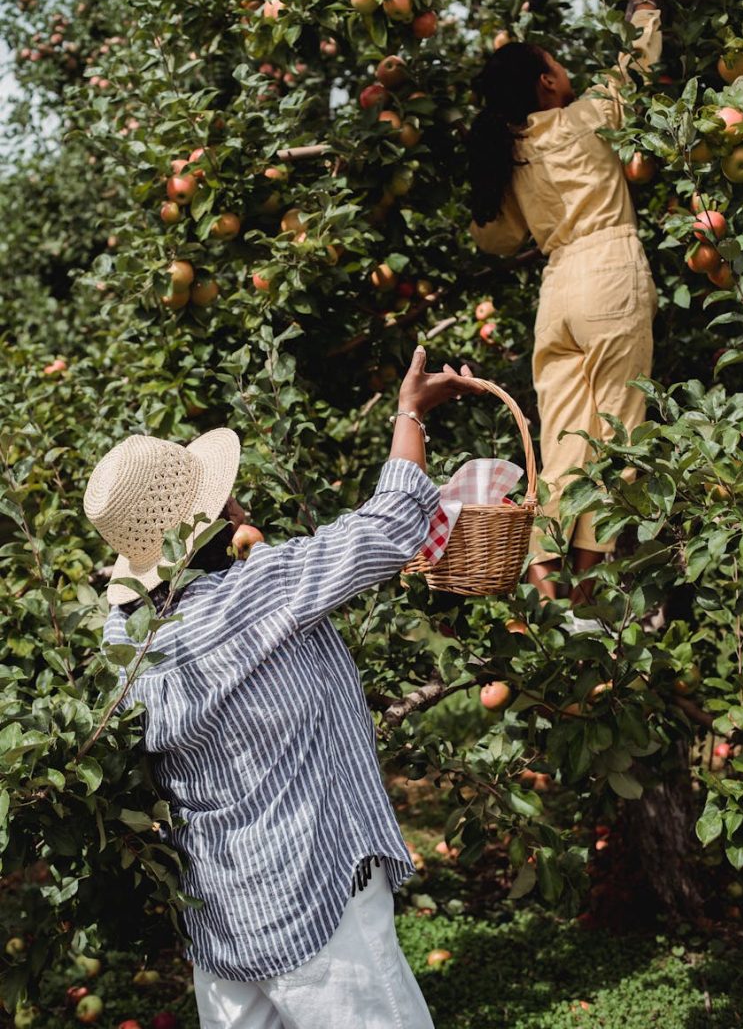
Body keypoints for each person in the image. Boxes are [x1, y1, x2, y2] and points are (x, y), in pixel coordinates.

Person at [83, 346, 481, 1029]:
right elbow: (389, 526)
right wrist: (409, 414)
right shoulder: (264, 594)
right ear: (210, 521)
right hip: (316, 894)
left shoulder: (121, 645)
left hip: (223, 911)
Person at [467, 0, 661, 606]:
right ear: (547, 81)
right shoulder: (585, 116)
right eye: (554, 62)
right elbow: (639, 57)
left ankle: (545, 589)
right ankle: (583, 601)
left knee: (564, 445)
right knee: (618, 431)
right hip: (609, 271)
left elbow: (496, 238)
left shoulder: (513, 150)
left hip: (558, 293)